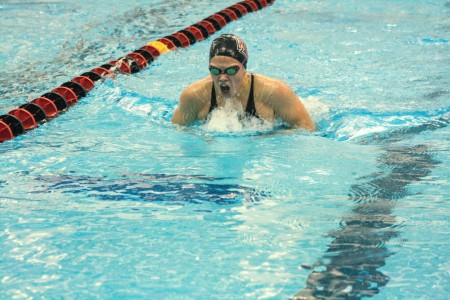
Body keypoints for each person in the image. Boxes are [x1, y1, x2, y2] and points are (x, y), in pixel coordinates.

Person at [171, 34, 315, 131]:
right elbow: (176, 132)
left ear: (244, 68)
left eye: (231, 71)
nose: (222, 78)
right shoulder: (194, 96)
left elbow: (307, 128)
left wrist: (269, 139)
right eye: (215, 71)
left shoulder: (274, 92)